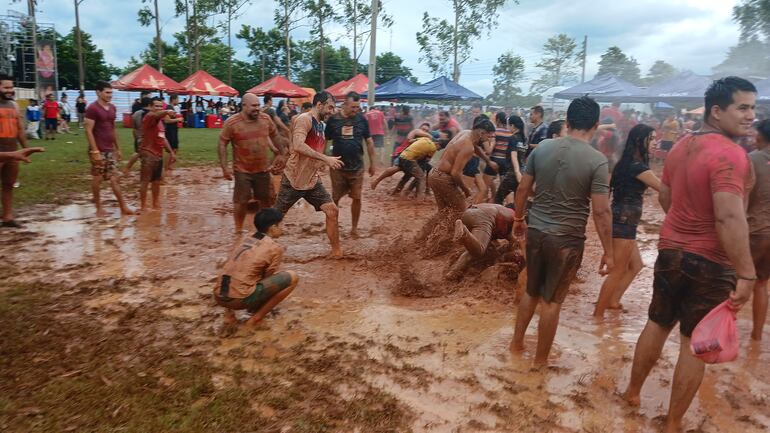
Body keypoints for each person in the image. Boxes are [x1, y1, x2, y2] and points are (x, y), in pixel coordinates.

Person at [622, 77, 757, 433]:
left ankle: (633, 393)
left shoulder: (681, 146)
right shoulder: (731, 154)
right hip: (711, 261)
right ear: (717, 110)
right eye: (742, 107)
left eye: (753, 108)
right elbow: (729, 215)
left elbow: (666, 199)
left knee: (657, 322)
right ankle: (673, 423)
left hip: (670, 251)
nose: (750, 116)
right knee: (693, 343)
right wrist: (746, 274)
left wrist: (685, 224)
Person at [510, 96, 613, 367]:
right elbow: (601, 212)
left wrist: (518, 219)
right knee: (552, 302)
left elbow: (522, 188)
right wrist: (609, 251)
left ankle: (516, 345)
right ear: (596, 125)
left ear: (567, 122)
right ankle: (540, 363)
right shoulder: (597, 161)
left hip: (536, 231)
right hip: (566, 240)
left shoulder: (542, 148)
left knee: (531, 292)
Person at [593, 125, 661, 318]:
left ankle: (613, 301)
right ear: (641, 141)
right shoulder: (637, 167)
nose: (656, 142)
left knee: (636, 265)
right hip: (624, 222)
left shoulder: (624, 163)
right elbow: (664, 189)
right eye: (652, 138)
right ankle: (597, 316)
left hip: (622, 220)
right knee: (617, 270)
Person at [274, 91, 344, 258]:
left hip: (312, 181)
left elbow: (312, 150)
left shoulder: (320, 125)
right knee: (274, 221)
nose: (332, 111)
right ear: (319, 105)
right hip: (293, 180)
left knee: (332, 210)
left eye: (333, 108)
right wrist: (325, 158)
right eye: (330, 107)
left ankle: (337, 252)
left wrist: (320, 163)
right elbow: (298, 145)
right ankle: (257, 251)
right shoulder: (304, 119)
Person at [214, 208, 300, 328]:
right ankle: (256, 319)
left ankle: (229, 315)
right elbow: (267, 278)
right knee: (293, 277)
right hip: (239, 299)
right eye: (281, 225)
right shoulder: (275, 248)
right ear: (273, 227)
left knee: (234, 269)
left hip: (218, 296)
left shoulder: (245, 238)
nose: (283, 228)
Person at [219, 93, 288, 232]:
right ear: (244, 105)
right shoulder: (232, 123)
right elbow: (222, 143)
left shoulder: (265, 119)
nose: (257, 108)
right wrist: (224, 167)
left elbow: (275, 135)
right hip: (242, 170)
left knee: (267, 200)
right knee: (241, 201)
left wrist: (281, 153)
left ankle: (266, 228)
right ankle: (238, 229)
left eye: (258, 105)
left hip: (263, 169)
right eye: (253, 106)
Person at [324, 92, 375, 237]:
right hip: (338, 166)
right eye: (353, 107)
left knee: (357, 198)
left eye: (357, 107)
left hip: (357, 167)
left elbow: (369, 141)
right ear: (345, 104)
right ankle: (333, 226)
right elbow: (325, 140)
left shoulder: (362, 119)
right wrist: (322, 160)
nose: (355, 110)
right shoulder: (333, 120)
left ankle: (354, 229)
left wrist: (373, 163)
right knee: (335, 198)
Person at [427, 117, 496, 215]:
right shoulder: (468, 147)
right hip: (443, 179)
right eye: (488, 137)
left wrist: (488, 161)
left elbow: (476, 147)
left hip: (434, 174)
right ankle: (450, 230)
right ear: (481, 133)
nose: (489, 141)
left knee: (444, 212)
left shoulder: (466, 133)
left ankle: (431, 230)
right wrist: (466, 190)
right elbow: (455, 173)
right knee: (462, 213)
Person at [84, 81, 133, 217]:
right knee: (97, 178)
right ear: (98, 92)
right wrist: (95, 151)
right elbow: (88, 130)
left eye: (111, 92)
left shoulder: (112, 108)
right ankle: (99, 208)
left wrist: (118, 148)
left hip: (109, 149)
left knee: (114, 178)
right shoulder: (92, 108)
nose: (110, 95)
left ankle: (123, 207)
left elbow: (112, 128)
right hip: (98, 149)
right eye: (107, 92)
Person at [447, 203, 516, 279]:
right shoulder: (516, 220)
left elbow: (494, 246)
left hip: (468, 213)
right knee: (479, 251)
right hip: (483, 217)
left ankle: (453, 272)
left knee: (474, 250)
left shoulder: (502, 213)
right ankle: (464, 233)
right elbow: (515, 245)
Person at [747, 119, 770, 340]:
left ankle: (722, 333)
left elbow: (742, 198)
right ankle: (756, 335)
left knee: (733, 281)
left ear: (760, 136)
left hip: (753, 231)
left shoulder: (752, 160)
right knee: (762, 284)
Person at [0, 74, 29, 227]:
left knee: (8, 184)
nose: (10, 90)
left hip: (13, 152)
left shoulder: (14, 105)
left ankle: (8, 217)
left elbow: (20, 129)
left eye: (11, 87)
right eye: (6, 87)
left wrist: (26, 148)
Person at [371, 132, 438, 198]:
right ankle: (417, 197)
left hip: (407, 156)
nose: (424, 130)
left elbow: (411, 141)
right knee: (414, 174)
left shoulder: (423, 139)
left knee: (408, 174)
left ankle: (397, 192)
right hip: (406, 156)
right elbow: (410, 139)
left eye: (426, 129)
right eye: (423, 129)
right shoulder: (423, 137)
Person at [138, 97, 176, 212]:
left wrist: (171, 152)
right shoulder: (149, 116)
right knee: (145, 181)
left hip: (158, 154)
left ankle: (155, 203)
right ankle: (143, 205)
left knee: (156, 181)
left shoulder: (160, 122)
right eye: (156, 106)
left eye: (161, 106)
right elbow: (155, 115)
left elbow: (163, 138)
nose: (159, 108)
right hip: (148, 154)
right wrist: (167, 111)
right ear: (150, 107)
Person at [483, 112, 515, 202]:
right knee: (505, 188)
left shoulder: (495, 131)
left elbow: (490, 147)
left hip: (494, 160)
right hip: (505, 162)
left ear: (497, 120)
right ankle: (510, 208)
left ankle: (481, 205)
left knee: (484, 186)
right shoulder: (510, 133)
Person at [493, 115, 525, 205]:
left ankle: (501, 217)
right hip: (522, 173)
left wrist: (517, 172)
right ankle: (516, 217)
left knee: (498, 198)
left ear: (513, 126)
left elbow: (514, 156)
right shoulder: (524, 139)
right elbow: (524, 157)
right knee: (517, 200)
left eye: (508, 125)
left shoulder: (513, 138)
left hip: (513, 174)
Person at [124, 97, 151, 175]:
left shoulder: (136, 113)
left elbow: (134, 128)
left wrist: (137, 138)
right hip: (147, 139)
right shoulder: (151, 114)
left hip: (138, 137)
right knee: (146, 155)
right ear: (150, 104)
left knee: (138, 153)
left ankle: (128, 167)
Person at [164, 94, 181, 174]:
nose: (178, 101)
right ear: (173, 99)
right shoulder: (168, 108)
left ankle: (169, 164)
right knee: (170, 149)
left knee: (175, 148)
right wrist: (178, 119)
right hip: (170, 130)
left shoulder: (172, 108)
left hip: (174, 130)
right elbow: (167, 120)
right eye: (178, 99)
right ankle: (166, 166)